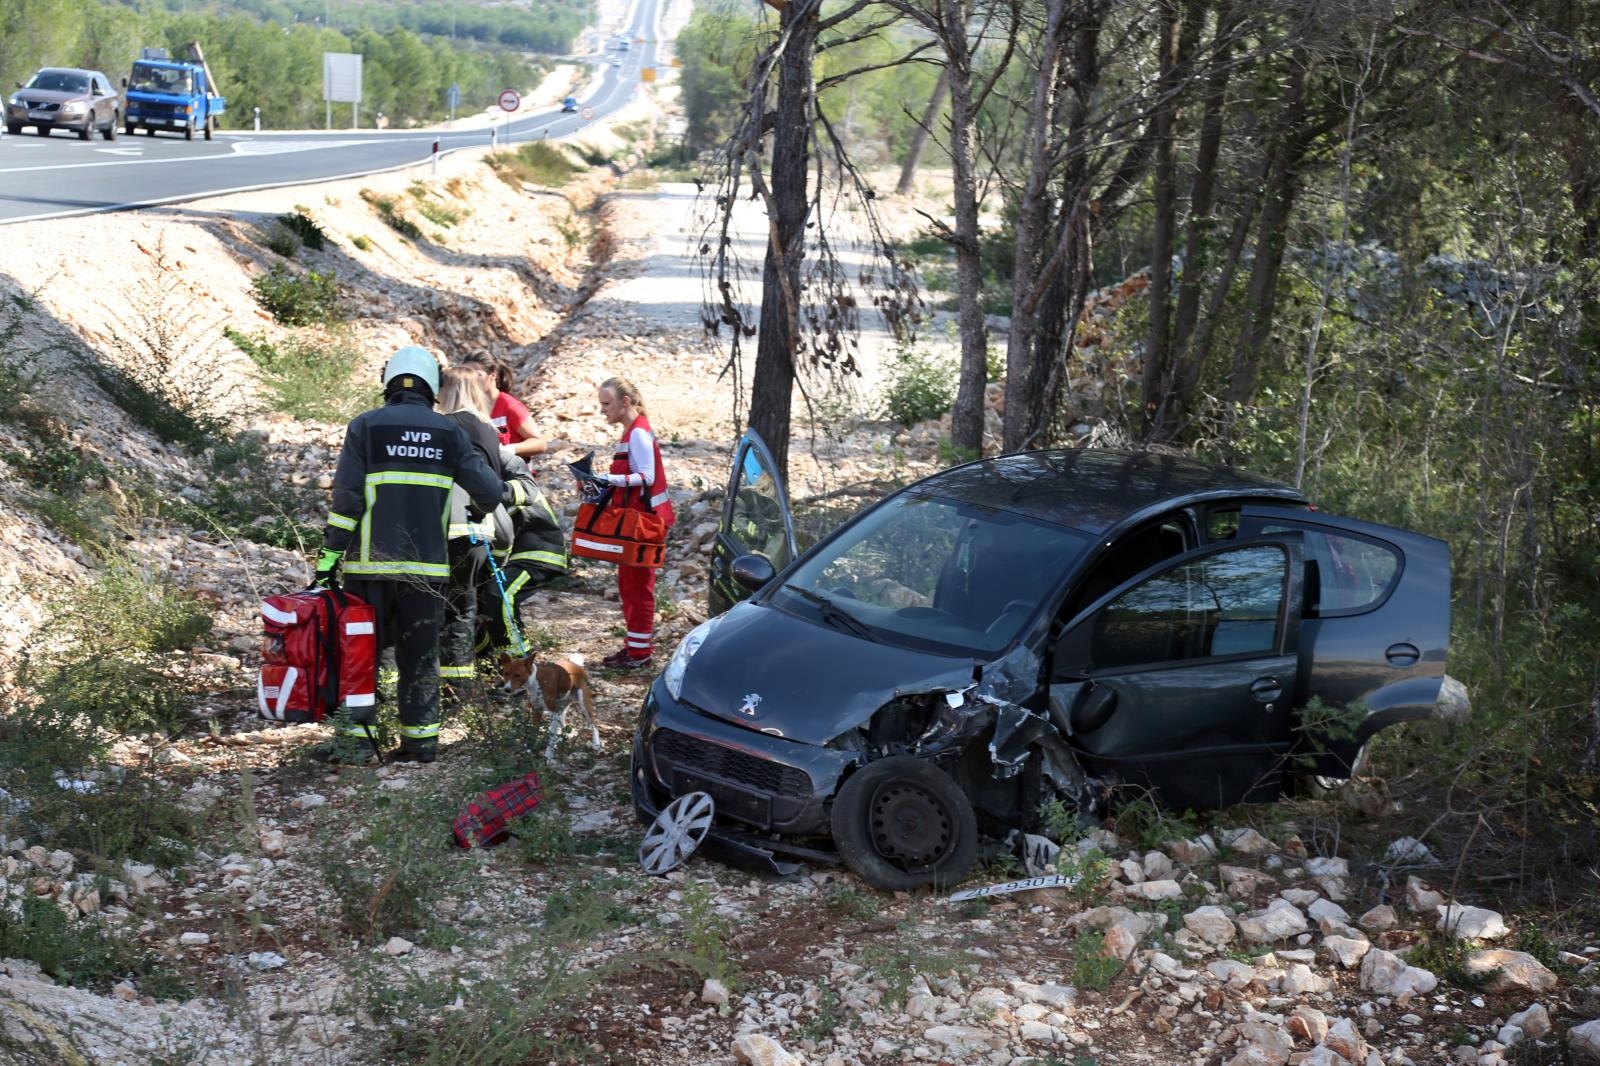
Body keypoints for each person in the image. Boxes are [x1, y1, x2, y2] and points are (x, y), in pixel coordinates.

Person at [312, 346, 507, 763]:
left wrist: (328, 560)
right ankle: (420, 744)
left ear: (389, 382)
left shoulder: (365, 426)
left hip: (367, 571)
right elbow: (490, 493)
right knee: (420, 656)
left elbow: (346, 502)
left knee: (361, 656)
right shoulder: (449, 432)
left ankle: (357, 744)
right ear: (432, 386)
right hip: (427, 571)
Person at [435, 365, 527, 697]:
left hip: (448, 528)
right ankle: (460, 686)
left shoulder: (445, 427)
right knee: (465, 608)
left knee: (444, 610)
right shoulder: (487, 429)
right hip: (482, 530)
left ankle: (447, 689)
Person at [594, 376, 674, 668]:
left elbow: (647, 477)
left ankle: (640, 653)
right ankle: (634, 648)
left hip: (646, 523)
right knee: (629, 585)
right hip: (637, 521)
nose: (603, 410)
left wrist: (606, 479)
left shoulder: (638, 433)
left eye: (606, 404)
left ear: (624, 402)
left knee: (638, 587)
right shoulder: (632, 431)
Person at [466, 355, 551, 459]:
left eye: (476, 375)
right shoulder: (466, 405)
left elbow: (539, 443)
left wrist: (509, 449)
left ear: (492, 375)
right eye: (466, 375)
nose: (470, 380)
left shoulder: (509, 406)